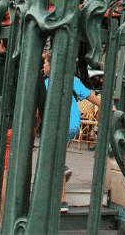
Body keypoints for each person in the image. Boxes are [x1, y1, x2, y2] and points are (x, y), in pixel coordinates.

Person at [42, 40, 105, 213]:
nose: (43, 67)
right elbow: (90, 96)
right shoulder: (72, 79)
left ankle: (62, 200)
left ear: (51, 65)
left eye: (45, 64)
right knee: (57, 157)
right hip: (73, 125)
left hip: (58, 125)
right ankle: (57, 195)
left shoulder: (47, 83)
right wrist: (107, 107)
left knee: (57, 162)